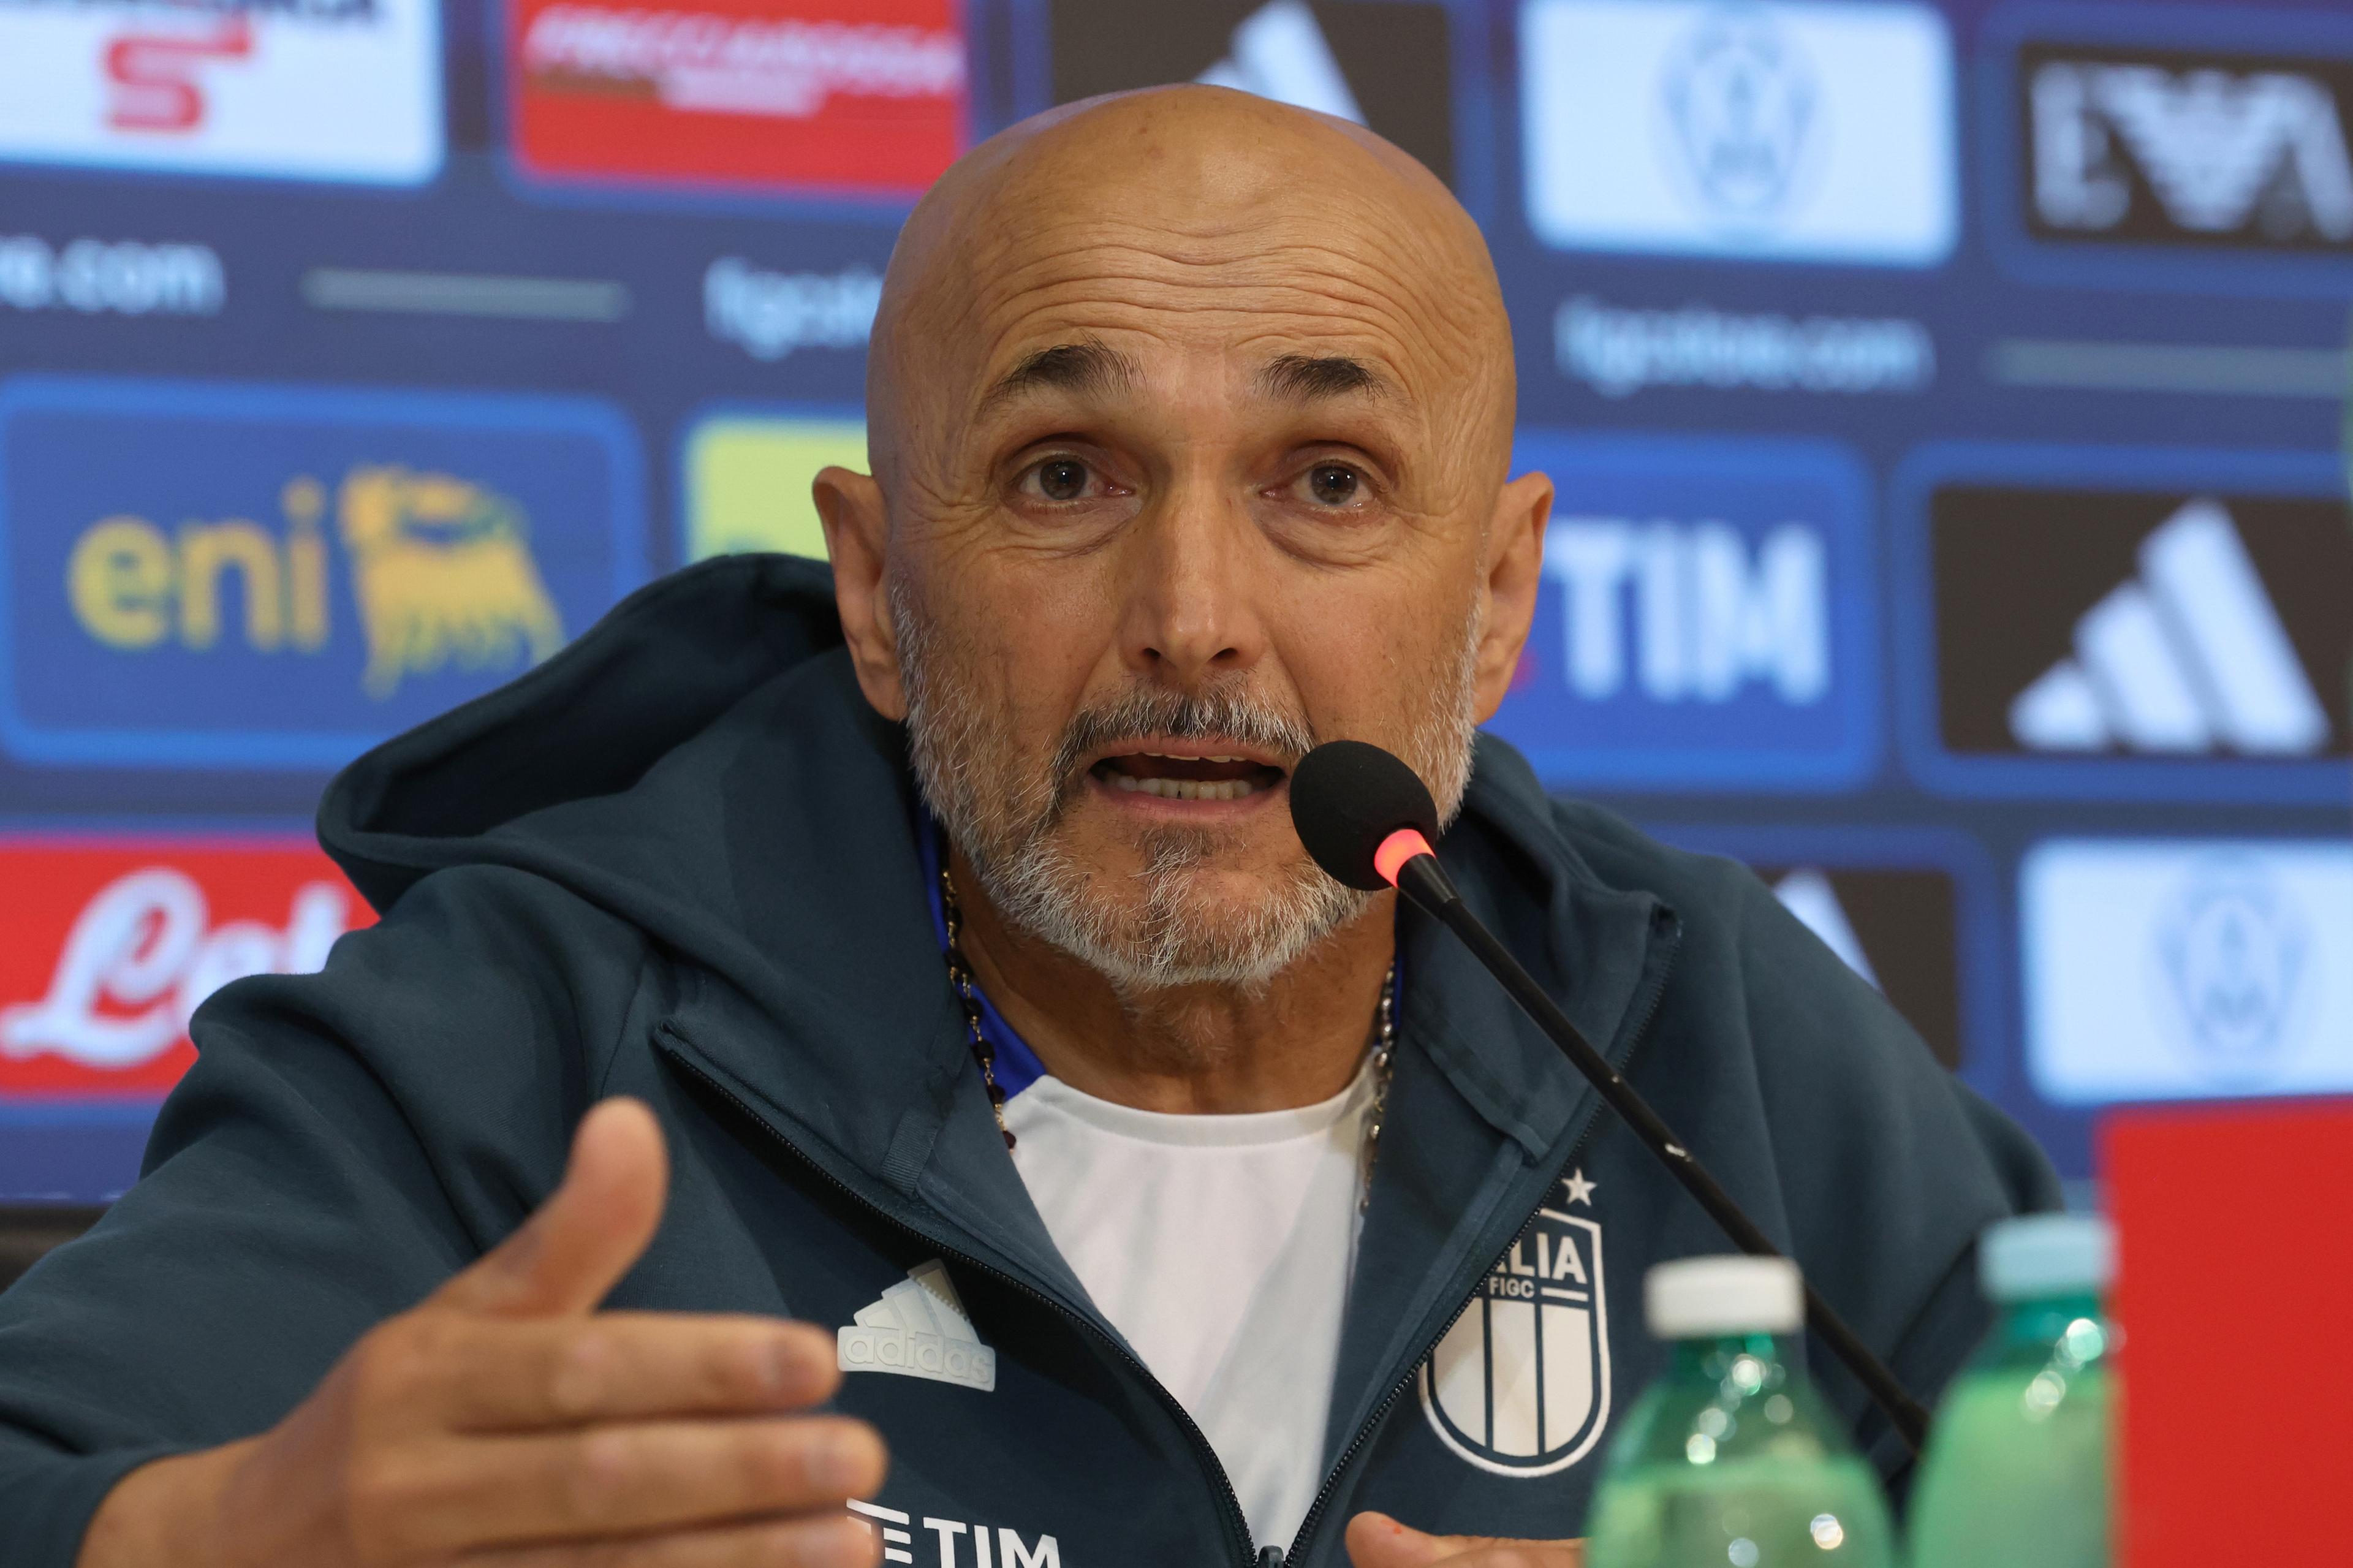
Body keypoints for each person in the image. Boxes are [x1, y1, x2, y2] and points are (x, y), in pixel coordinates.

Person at [0, 88, 2055, 1568]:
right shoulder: (526, 1028)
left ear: (1498, 602)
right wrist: (214, 1538)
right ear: (885, 594)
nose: (1192, 619)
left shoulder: (1698, 1025)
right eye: (1067, 476)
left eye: (1326, 482)